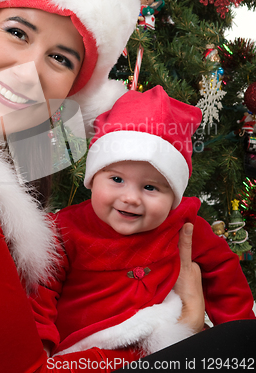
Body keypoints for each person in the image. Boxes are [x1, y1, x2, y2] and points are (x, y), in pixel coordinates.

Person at [0, 0, 206, 373]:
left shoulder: (22, 145)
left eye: (60, 58)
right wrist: (173, 331)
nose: (27, 71)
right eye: (17, 32)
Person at [31, 86, 255, 357]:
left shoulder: (184, 225)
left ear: (174, 195)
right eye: (116, 179)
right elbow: (40, 290)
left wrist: (239, 333)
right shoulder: (65, 228)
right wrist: (39, 344)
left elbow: (223, 272)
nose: (130, 198)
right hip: (82, 351)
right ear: (92, 179)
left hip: (160, 343)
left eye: (150, 187)